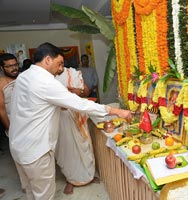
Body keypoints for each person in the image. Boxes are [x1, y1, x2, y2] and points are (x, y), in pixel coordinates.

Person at [8, 42, 131, 200]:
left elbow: (30, 107)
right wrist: (117, 111)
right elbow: (80, 104)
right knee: (44, 195)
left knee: (31, 191)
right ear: (47, 60)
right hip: (35, 150)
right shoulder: (45, 82)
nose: (60, 69)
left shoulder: (24, 76)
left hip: (18, 146)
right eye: (59, 63)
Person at [55, 66, 97, 194]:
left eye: (62, 62)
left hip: (78, 115)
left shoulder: (72, 73)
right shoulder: (48, 78)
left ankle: (89, 176)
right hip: (61, 118)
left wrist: (77, 91)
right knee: (68, 150)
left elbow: (87, 92)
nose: (60, 66)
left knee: (84, 147)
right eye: (58, 63)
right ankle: (71, 179)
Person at [0, 53, 20, 198]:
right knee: (19, 157)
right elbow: (1, 109)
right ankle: (26, 183)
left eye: (15, 65)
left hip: (29, 123)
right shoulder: (1, 83)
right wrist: (9, 128)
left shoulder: (23, 78)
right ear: (2, 68)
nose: (13, 68)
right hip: (13, 126)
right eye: (9, 66)